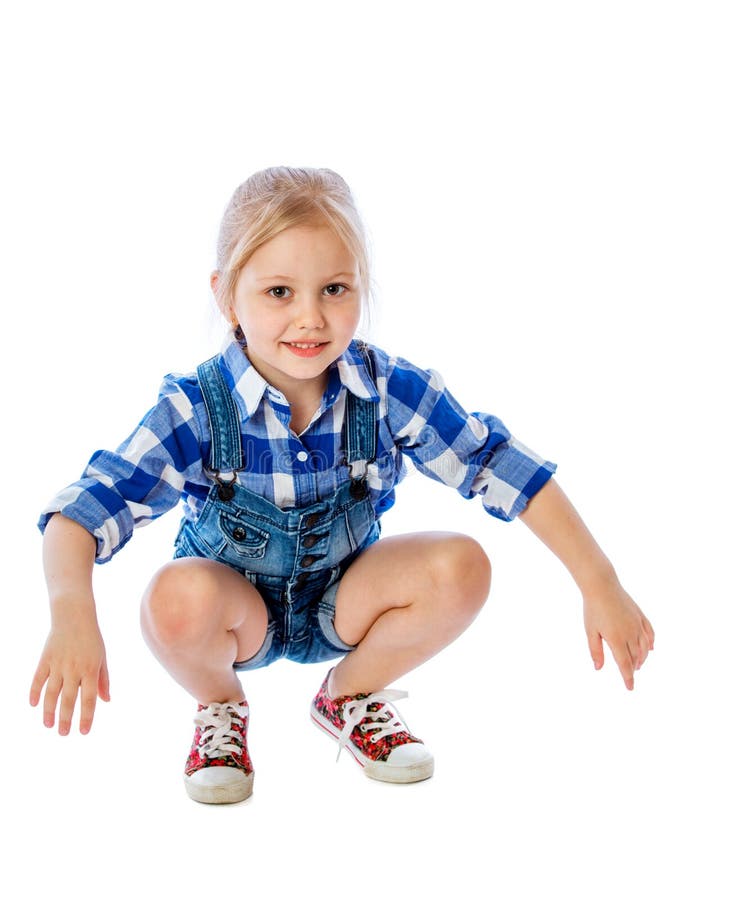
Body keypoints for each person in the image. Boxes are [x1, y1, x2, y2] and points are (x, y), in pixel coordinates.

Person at [30, 166, 655, 805]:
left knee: (462, 564)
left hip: (345, 602)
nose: (310, 318)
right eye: (278, 291)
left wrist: (598, 580)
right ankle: (221, 710)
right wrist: (73, 614)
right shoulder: (197, 408)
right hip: (234, 616)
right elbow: (82, 512)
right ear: (227, 297)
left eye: (334, 288)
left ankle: (349, 696)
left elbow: (497, 464)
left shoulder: (386, 391)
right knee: (172, 598)